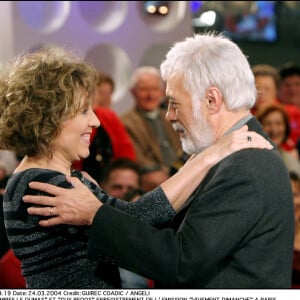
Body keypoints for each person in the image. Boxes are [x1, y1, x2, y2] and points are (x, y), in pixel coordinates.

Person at [22, 32, 287, 289]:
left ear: (211, 100)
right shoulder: (226, 155)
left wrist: (94, 213)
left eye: (174, 103)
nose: (169, 115)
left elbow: (182, 262)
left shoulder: (245, 165)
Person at [73, 72, 136, 183]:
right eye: (101, 93)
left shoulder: (110, 117)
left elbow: (126, 151)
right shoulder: (75, 118)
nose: (105, 98)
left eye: (109, 93)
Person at [121, 66, 185, 175]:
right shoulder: (125, 123)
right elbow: (139, 160)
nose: (150, 95)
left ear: (162, 92)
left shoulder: (173, 117)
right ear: (133, 92)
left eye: (155, 89)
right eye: (144, 89)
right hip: (154, 177)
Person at [257, 104, 300, 176]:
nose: (273, 129)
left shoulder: (291, 161)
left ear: (286, 127)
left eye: (278, 123)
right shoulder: (252, 158)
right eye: (268, 123)